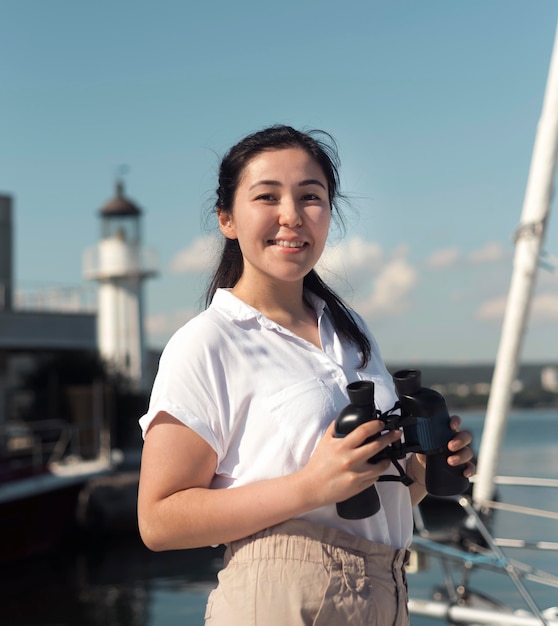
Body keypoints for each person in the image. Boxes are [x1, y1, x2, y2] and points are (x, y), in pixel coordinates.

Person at [137, 124, 475, 626]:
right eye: (267, 196)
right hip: (282, 600)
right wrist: (311, 485)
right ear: (226, 218)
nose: (291, 216)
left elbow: (372, 498)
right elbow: (158, 521)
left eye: (310, 197)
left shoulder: (349, 331)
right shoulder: (207, 342)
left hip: (385, 590)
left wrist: (429, 467)